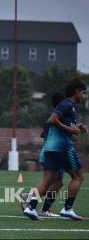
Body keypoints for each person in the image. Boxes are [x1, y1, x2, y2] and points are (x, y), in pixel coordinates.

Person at [24, 79, 87, 221]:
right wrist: (71, 129)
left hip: (50, 148)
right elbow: (52, 120)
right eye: (83, 92)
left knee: (49, 180)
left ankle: (31, 207)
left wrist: (77, 129)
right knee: (78, 177)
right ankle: (67, 209)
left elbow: (61, 126)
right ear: (76, 91)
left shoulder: (68, 107)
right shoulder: (66, 104)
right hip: (62, 147)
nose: (83, 96)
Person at [20, 92, 65, 217]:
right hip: (53, 153)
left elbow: (45, 137)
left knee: (55, 182)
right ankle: (43, 209)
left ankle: (29, 198)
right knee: (55, 182)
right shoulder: (57, 118)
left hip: (49, 152)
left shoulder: (53, 117)